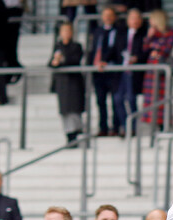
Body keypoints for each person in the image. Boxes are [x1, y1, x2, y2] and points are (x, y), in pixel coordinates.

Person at [50, 22, 85, 145]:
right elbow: (50, 62)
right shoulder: (58, 46)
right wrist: (55, 61)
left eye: (68, 30)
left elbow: (74, 60)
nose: (66, 33)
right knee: (64, 110)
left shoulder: (76, 46)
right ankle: (68, 134)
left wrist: (61, 60)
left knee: (75, 109)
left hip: (74, 82)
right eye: (64, 31)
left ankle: (76, 132)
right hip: (62, 83)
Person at [89, 7, 122, 137]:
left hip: (112, 70)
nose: (107, 17)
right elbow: (94, 49)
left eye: (110, 15)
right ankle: (103, 127)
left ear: (114, 17)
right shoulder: (97, 31)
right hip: (98, 72)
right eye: (105, 15)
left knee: (115, 100)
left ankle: (115, 127)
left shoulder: (119, 31)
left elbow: (115, 49)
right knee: (100, 101)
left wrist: (105, 61)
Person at [141, 9, 173, 131]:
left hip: (162, 67)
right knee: (150, 96)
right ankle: (151, 120)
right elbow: (145, 48)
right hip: (152, 67)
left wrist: (155, 48)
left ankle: (163, 122)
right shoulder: (152, 33)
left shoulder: (170, 32)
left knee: (162, 96)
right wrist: (149, 38)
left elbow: (166, 49)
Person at [114, 8, 146, 136]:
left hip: (134, 72)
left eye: (137, 18)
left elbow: (146, 53)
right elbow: (114, 51)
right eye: (132, 18)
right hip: (121, 72)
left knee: (131, 99)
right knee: (117, 99)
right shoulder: (121, 34)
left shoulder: (144, 35)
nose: (135, 21)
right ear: (127, 20)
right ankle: (124, 126)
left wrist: (137, 58)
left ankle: (133, 127)